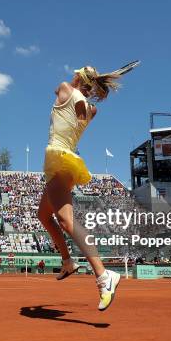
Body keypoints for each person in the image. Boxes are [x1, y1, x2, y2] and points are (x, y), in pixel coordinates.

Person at [37, 65, 133, 311]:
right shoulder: (92, 109)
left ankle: (103, 276)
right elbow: (83, 110)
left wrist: (86, 85)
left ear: (78, 77)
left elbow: (57, 90)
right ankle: (68, 262)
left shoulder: (65, 88)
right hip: (65, 160)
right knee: (43, 215)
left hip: (59, 158)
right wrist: (94, 88)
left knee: (66, 221)